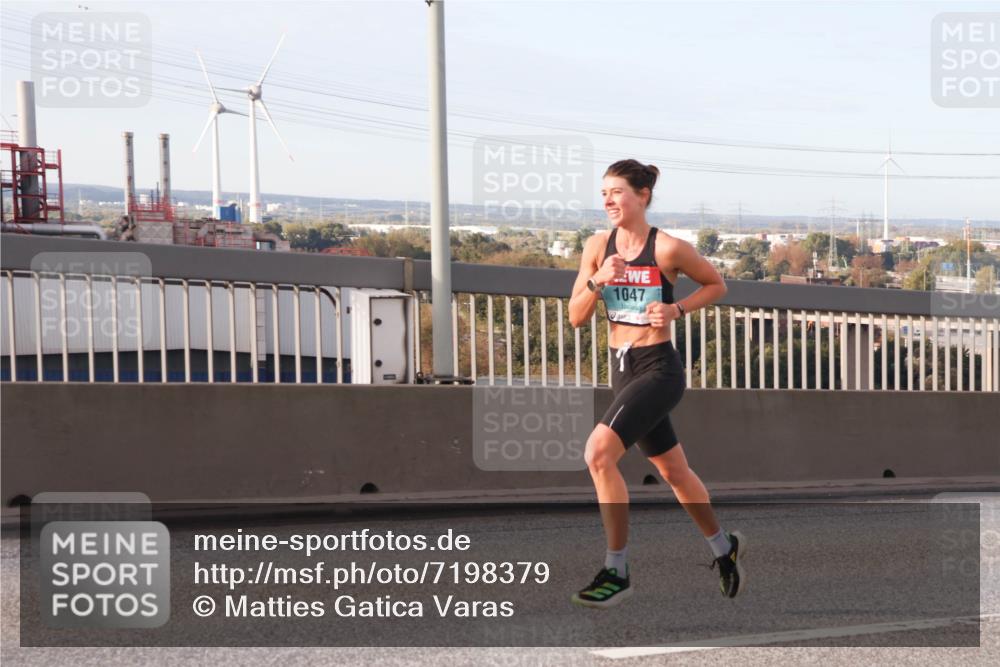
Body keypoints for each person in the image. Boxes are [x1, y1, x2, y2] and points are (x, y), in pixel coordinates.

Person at [567, 159, 746, 608]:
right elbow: (575, 316)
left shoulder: (668, 249)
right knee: (673, 472)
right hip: (622, 370)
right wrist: (597, 279)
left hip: (659, 369)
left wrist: (677, 310)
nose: (607, 200)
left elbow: (716, 284)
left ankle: (617, 568)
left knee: (598, 454)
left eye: (617, 192)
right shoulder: (596, 246)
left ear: (642, 196)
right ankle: (724, 549)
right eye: (603, 192)